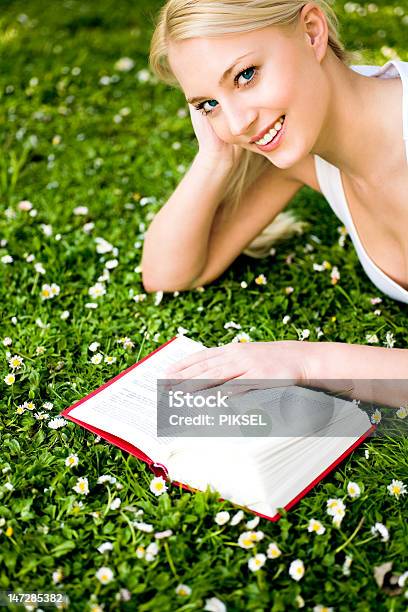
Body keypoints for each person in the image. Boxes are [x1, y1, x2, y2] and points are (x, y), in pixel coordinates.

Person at [142, 0, 408, 406]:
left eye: (245, 75)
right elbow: (168, 273)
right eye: (208, 104)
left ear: (312, 31)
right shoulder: (300, 158)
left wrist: (306, 362)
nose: (236, 123)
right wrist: (214, 159)